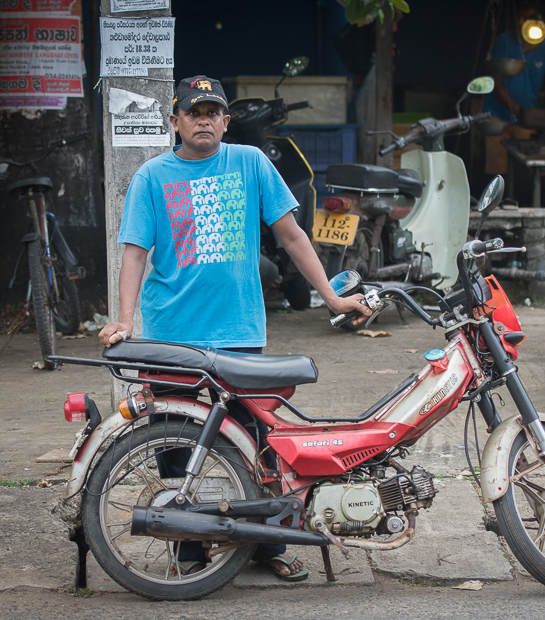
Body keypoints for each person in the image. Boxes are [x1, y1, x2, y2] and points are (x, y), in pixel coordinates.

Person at [98, 75, 370, 582]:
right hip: (171, 334)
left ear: (226, 121)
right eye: (193, 112)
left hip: (238, 331)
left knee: (257, 442)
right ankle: (187, 543)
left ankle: (266, 544)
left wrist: (330, 296)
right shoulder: (152, 177)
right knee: (176, 442)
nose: (204, 120)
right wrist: (125, 320)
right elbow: (135, 253)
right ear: (174, 121)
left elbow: (291, 235)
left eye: (213, 112)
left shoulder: (250, 163)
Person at [482, 3, 545, 183]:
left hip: (527, 116)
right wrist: (516, 109)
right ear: (519, 21)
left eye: (531, 19)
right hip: (497, 115)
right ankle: (498, 205)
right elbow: (495, 83)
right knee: (499, 171)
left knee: (536, 165)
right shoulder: (504, 42)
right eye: (523, 19)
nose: (525, 22)